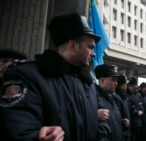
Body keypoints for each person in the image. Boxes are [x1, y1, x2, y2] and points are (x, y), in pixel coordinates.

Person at [0, 12, 103, 141]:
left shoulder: (88, 84)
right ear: (73, 45)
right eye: (91, 47)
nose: (93, 53)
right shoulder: (26, 75)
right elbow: (17, 131)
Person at [94, 64, 123, 141]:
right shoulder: (94, 98)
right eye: (113, 80)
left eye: (116, 80)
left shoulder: (112, 98)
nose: (116, 83)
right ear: (102, 80)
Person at [126, 77, 143, 141]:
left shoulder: (136, 95)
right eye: (136, 84)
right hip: (132, 123)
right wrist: (137, 113)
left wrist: (141, 110)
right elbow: (128, 108)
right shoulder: (127, 95)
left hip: (138, 122)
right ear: (133, 85)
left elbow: (141, 105)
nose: (137, 86)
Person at [115, 74, 131, 141]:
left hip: (127, 130)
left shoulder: (124, 96)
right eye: (125, 84)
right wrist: (122, 120)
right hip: (122, 131)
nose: (126, 86)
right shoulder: (117, 97)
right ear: (121, 86)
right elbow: (116, 114)